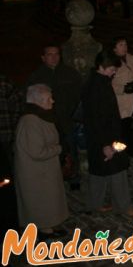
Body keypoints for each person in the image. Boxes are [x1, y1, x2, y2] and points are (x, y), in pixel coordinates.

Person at [82, 50, 133, 216]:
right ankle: (123, 206)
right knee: (117, 170)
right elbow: (95, 119)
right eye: (111, 69)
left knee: (99, 170)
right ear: (101, 67)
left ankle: (96, 203)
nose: (114, 72)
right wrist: (105, 144)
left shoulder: (99, 81)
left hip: (103, 136)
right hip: (106, 137)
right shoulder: (96, 87)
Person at [14, 84, 69, 238]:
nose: (52, 101)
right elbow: (36, 151)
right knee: (40, 200)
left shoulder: (41, 116)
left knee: (48, 199)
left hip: (45, 169)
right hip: (36, 172)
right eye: (48, 98)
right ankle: (43, 228)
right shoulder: (30, 122)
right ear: (37, 102)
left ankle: (49, 223)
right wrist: (58, 148)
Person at [26, 44, 83, 189]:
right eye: (50, 54)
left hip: (66, 119)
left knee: (70, 149)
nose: (54, 57)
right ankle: (53, 181)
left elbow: (79, 95)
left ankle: (73, 178)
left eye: (56, 54)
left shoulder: (70, 73)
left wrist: (72, 113)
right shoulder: (36, 76)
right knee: (51, 153)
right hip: (47, 121)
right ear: (43, 58)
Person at [111, 37, 133, 159]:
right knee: (123, 128)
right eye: (120, 45)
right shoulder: (112, 61)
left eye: (125, 44)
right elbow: (110, 83)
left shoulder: (132, 59)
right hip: (122, 101)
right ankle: (124, 153)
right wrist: (123, 89)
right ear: (114, 49)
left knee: (132, 127)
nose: (124, 47)